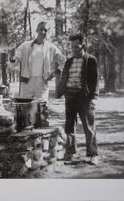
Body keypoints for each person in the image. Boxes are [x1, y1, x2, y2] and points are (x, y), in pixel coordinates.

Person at [57, 33, 99, 165]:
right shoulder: (69, 61)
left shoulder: (90, 60)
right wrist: (61, 92)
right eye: (72, 47)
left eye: (77, 47)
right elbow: (64, 77)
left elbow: (95, 81)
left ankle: (93, 154)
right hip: (70, 97)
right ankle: (70, 153)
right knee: (69, 126)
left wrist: (94, 98)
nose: (74, 50)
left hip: (85, 98)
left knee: (89, 126)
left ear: (83, 46)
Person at [9, 21, 65, 102]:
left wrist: (54, 73)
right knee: (24, 107)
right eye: (41, 29)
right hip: (27, 81)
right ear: (36, 30)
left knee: (41, 108)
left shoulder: (51, 47)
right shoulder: (25, 45)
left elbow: (63, 61)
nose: (43, 32)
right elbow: (16, 61)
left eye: (45, 30)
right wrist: (12, 57)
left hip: (42, 82)